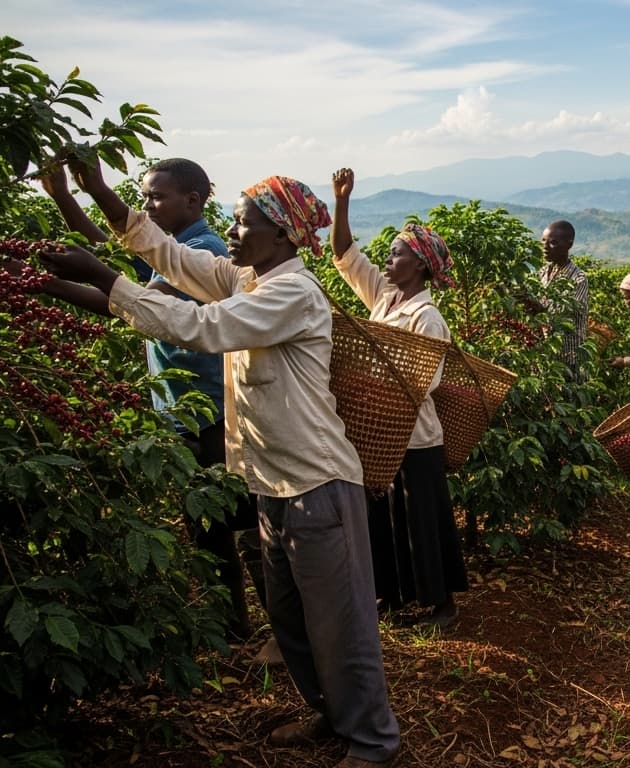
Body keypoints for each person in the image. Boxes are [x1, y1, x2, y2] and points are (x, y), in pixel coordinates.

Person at [39, 162, 400, 768]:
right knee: (292, 621)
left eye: (244, 223)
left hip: (318, 484)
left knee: (341, 626)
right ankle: (330, 713)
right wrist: (100, 192)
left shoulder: (291, 292)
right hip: (273, 482)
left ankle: (373, 740)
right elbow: (172, 258)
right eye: (232, 221)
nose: (231, 234)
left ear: (283, 235)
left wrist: (105, 277)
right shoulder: (250, 280)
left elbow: (196, 327)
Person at [37, 160, 264, 645]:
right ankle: (233, 628)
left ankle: (275, 630)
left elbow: (127, 299)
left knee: (236, 521)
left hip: (209, 409)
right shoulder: (175, 246)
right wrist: (68, 197)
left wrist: (45, 285)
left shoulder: (205, 250)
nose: (147, 206)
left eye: (157, 198)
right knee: (207, 523)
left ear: (193, 200)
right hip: (180, 409)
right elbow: (116, 249)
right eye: (145, 197)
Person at [330, 167, 467, 629]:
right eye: (388, 254)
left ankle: (441, 606)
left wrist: (362, 384)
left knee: (420, 523)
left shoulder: (426, 317)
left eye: (396, 255)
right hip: (378, 439)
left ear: (421, 266)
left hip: (415, 440)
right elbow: (345, 255)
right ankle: (390, 597)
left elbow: (422, 385)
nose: (387, 261)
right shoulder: (384, 299)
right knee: (383, 522)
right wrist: (342, 200)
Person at [522, 220, 589, 379]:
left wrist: (534, 305)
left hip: (569, 357)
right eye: (543, 241)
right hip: (544, 354)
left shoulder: (578, 279)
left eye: (553, 243)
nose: (545, 247)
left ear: (569, 245)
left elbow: (561, 315)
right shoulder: (543, 272)